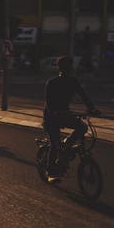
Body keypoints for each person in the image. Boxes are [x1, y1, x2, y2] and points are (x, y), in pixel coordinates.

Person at [43, 55, 98, 184]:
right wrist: (55, 112)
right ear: (62, 68)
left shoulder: (73, 81)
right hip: (51, 117)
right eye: (68, 66)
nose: (70, 69)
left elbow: (84, 96)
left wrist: (92, 109)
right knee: (55, 145)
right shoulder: (52, 82)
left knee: (83, 127)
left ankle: (67, 144)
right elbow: (49, 102)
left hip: (65, 114)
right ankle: (51, 172)